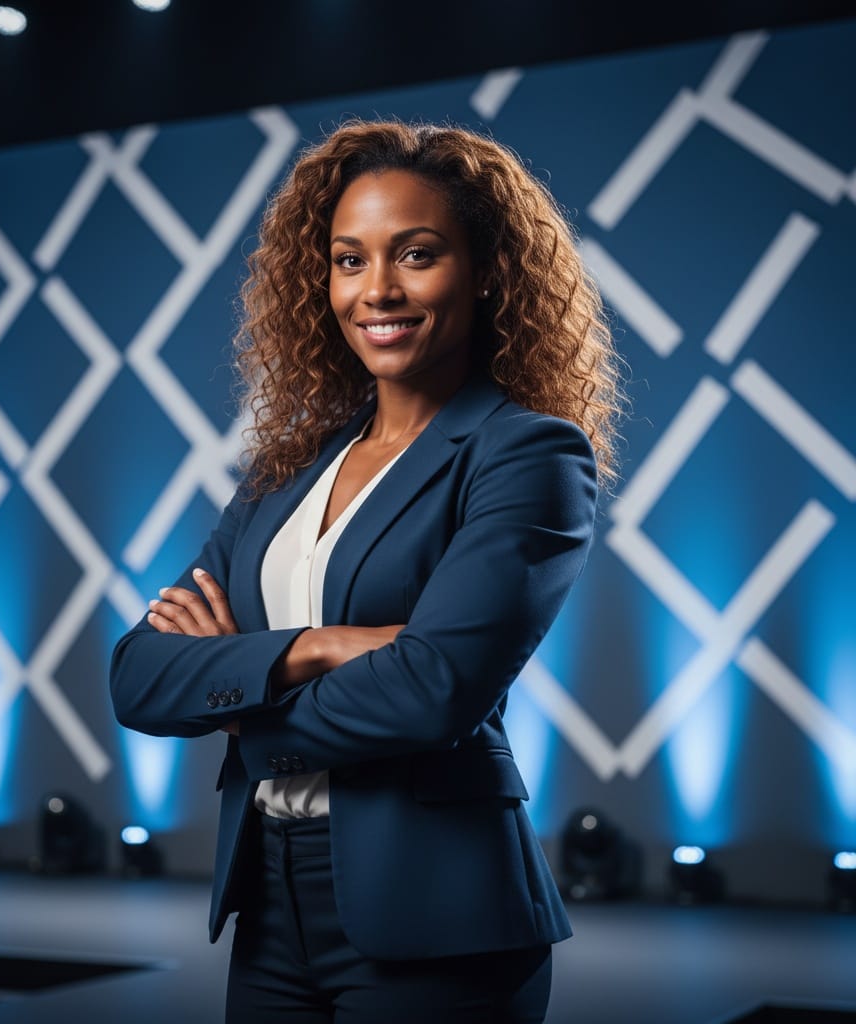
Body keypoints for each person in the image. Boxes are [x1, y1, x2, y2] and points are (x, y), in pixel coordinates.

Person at [110, 119, 622, 1023]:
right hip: (268, 904)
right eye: (350, 260)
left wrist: (241, 701)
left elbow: (433, 688)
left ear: (489, 270)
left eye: (415, 254)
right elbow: (140, 675)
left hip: (440, 918)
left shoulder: (526, 454)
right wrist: (316, 647)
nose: (377, 289)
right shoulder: (285, 474)